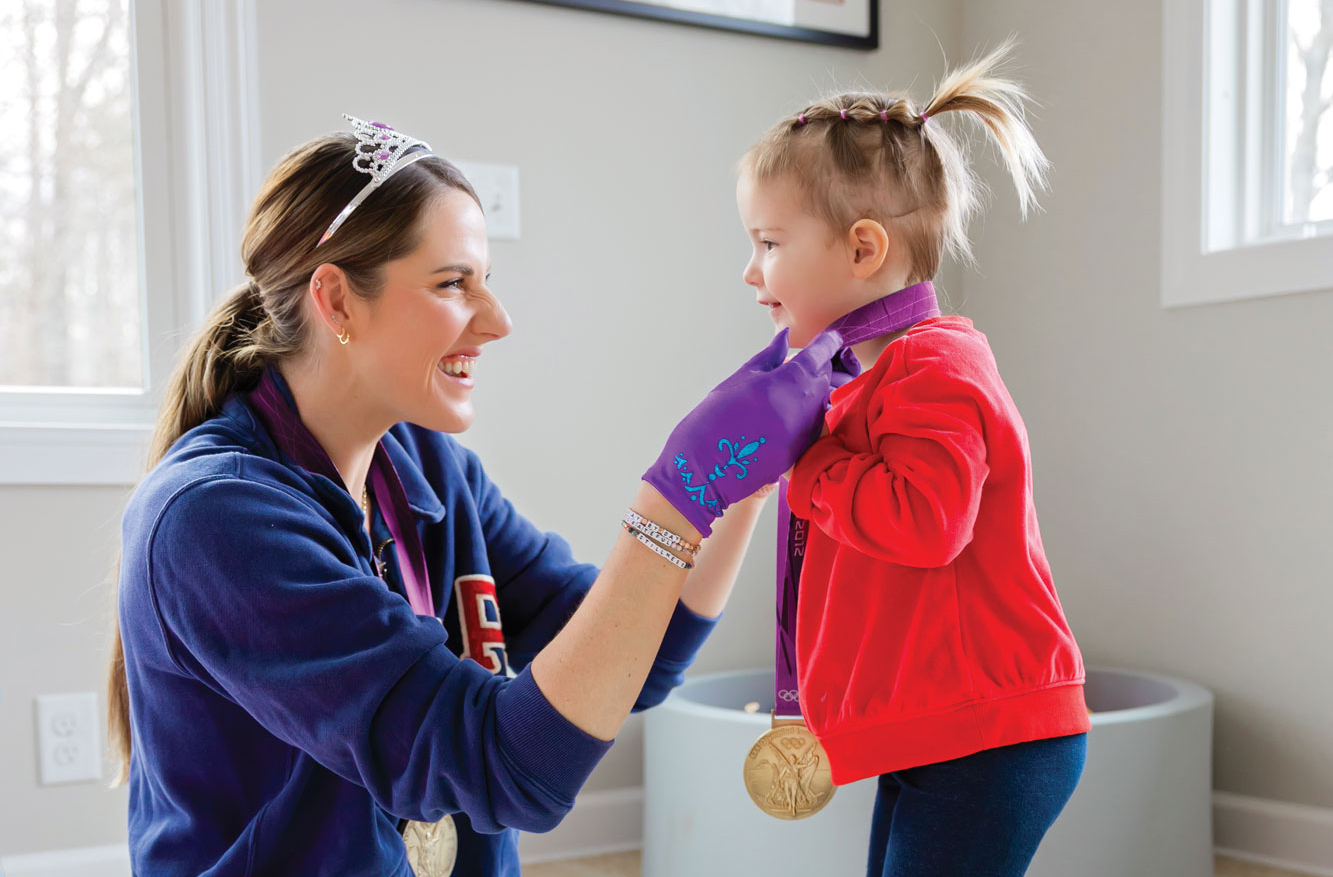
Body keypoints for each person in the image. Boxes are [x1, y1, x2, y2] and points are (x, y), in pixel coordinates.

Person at [107, 115, 842, 877]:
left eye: (485, 281)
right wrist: (674, 499)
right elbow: (507, 766)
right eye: (453, 283)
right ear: (336, 302)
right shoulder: (213, 518)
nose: (496, 321)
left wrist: (740, 485)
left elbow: (633, 662)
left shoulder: (427, 467)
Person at [735, 46, 1091, 876]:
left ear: (862, 250)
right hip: (939, 724)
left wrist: (807, 462)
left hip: (990, 733)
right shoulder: (867, 379)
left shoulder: (936, 365)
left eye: (768, 242)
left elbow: (926, 523)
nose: (751, 272)